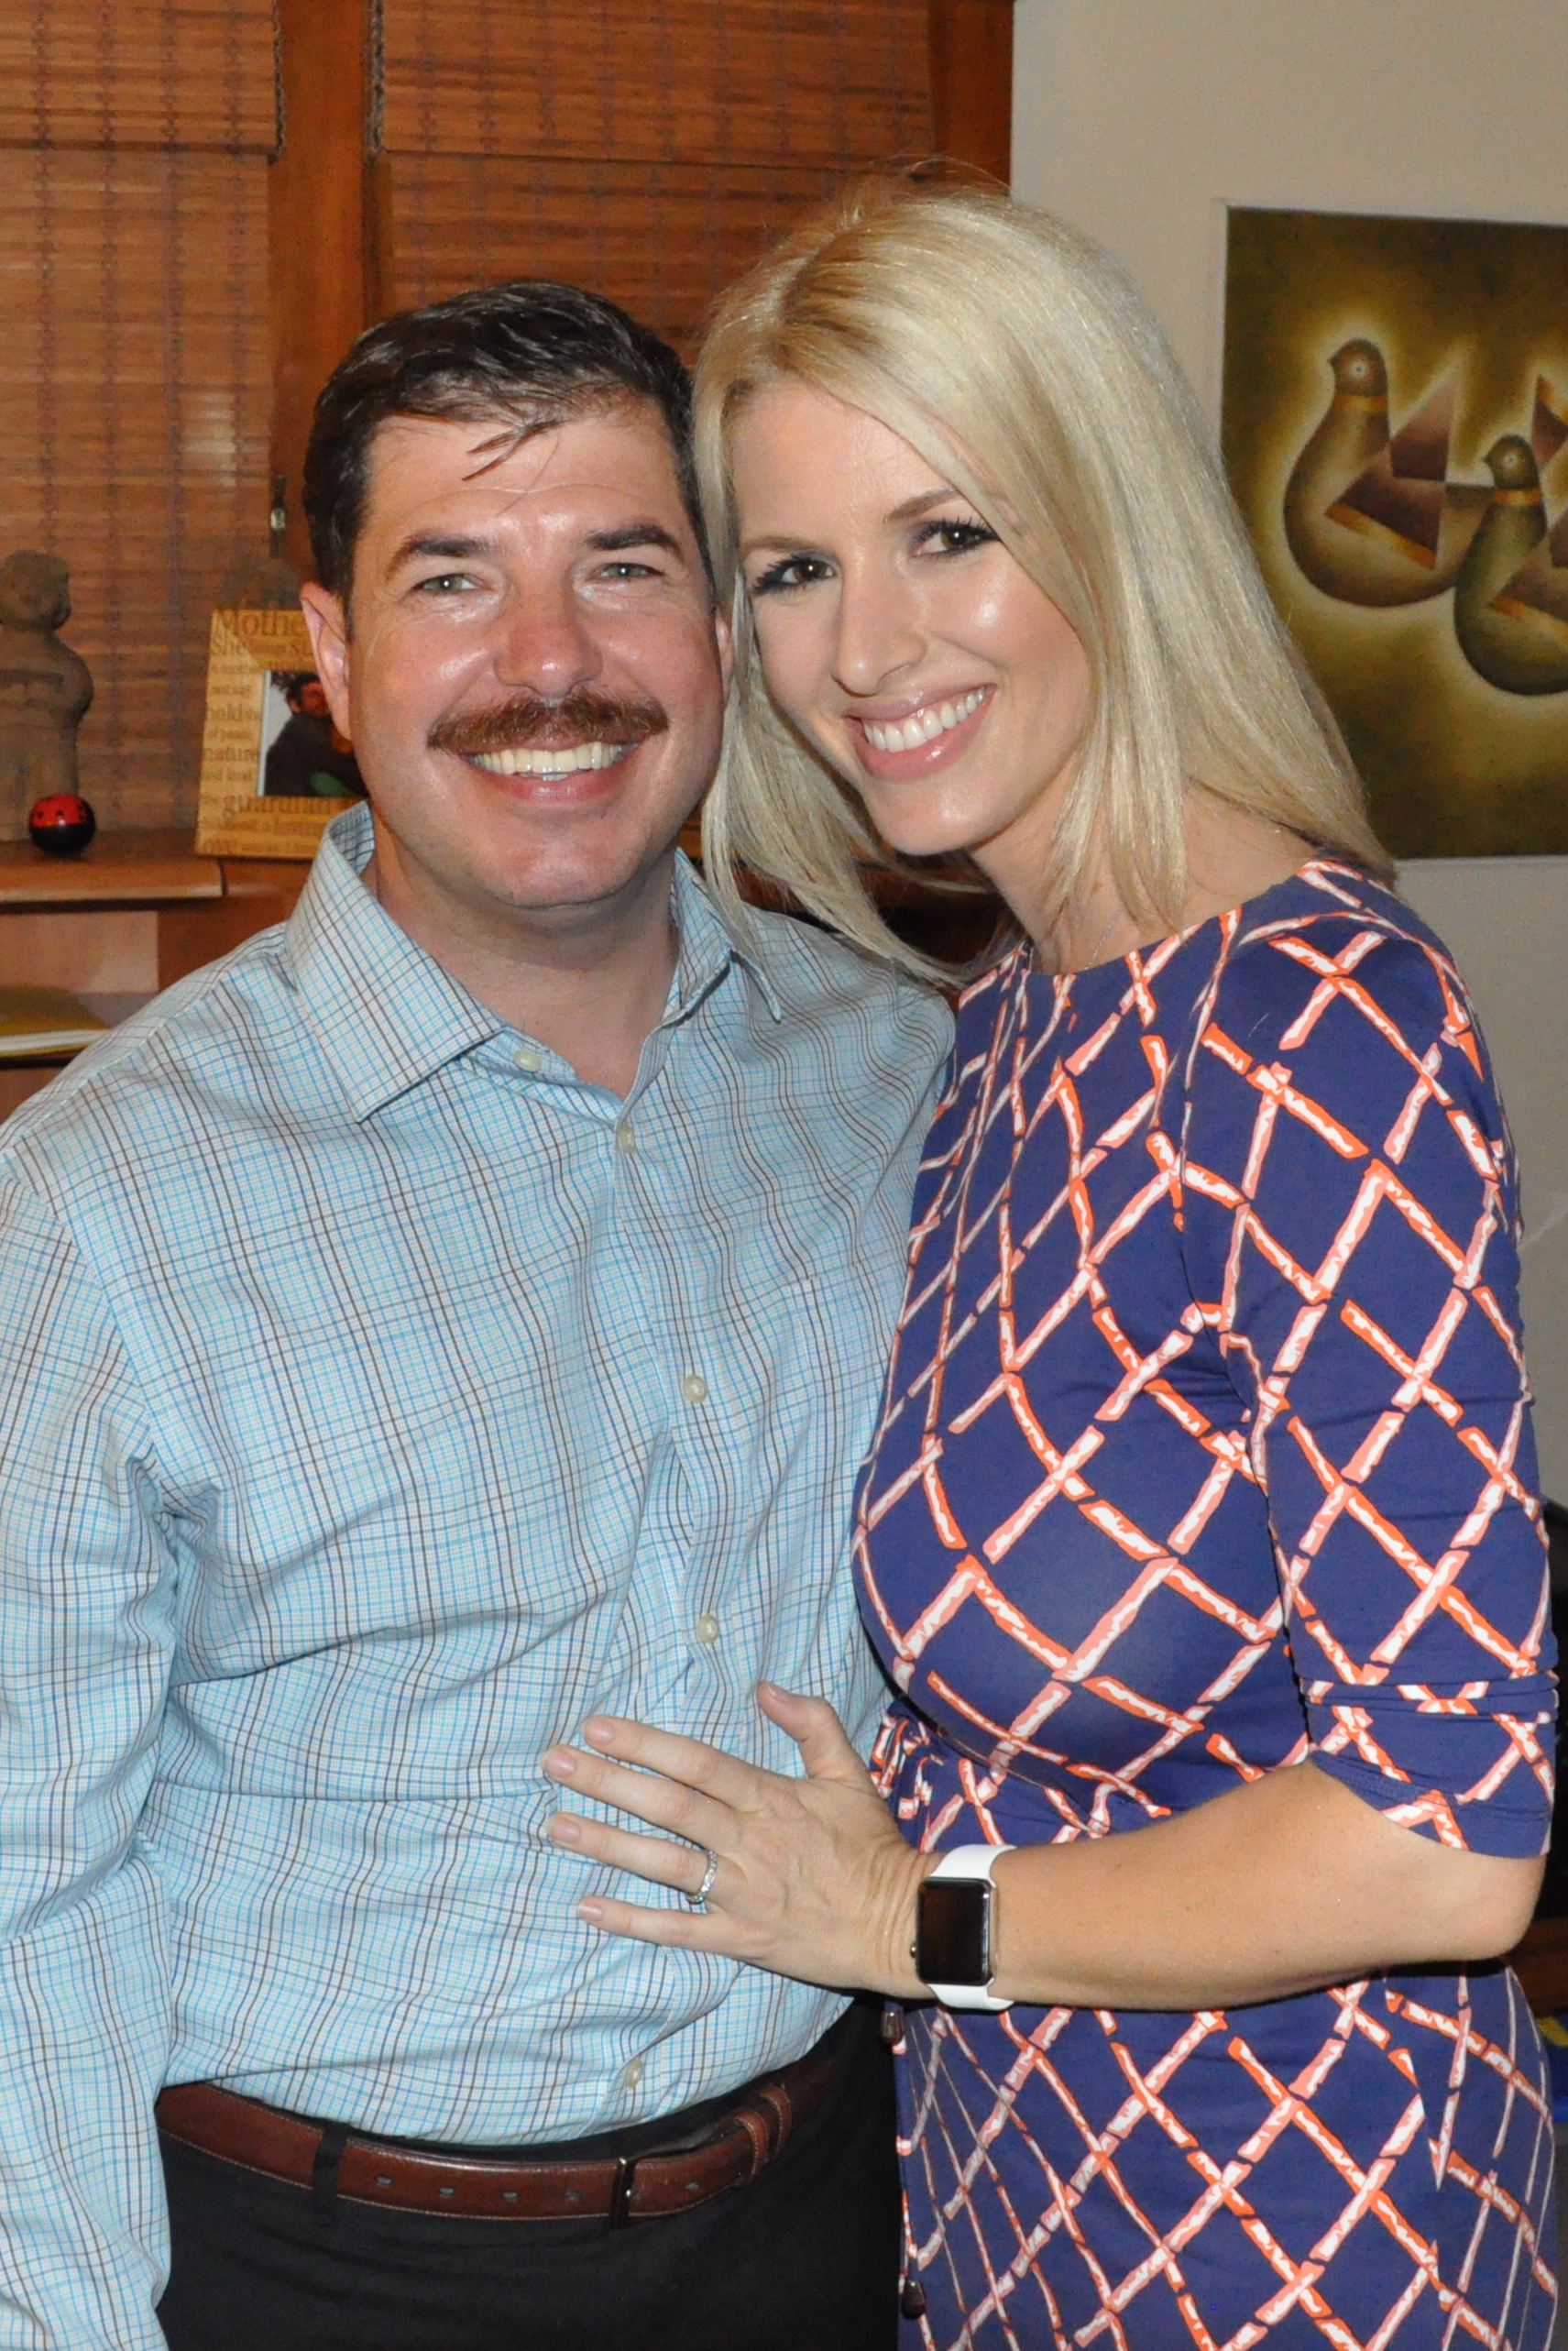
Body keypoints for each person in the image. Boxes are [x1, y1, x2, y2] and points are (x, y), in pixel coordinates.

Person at [541, 182, 1560, 2349]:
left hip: (1296, 2216)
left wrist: (905, 1916)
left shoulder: (1312, 1021)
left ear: (1106, 524)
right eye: (796, 569)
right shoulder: (1010, 1019)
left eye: (949, 532)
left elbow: (1445, 1836)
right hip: (1019, 2179)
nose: (866, 650)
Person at [0, 280, 950, 2348]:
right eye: (453, 578)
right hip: (325, 2272)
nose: (549, 662)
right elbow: (19, 1892)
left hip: (828, 2218)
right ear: (333, 658)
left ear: (722, 630)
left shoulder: (911, 1075)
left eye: (623, 566)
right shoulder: (96, 1207)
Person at [261, 669, 366, 796]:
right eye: (314, 695)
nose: (323, 700)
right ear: (295, 705)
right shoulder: (300, 727)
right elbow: (340, 767)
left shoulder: (329, 726)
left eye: (325, 694)